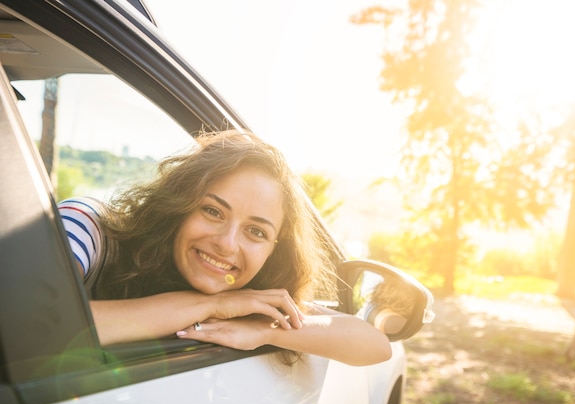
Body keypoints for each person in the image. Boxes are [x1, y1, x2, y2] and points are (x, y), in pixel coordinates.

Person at [58, 130, 391, 366]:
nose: (227, 244)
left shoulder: (252, 300)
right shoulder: (86, 227)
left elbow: (374, 345)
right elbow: (32, 323)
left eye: (256, 232)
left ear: (275, 250)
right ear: (178, 204)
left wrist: (264, 330)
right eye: (213, 211)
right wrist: (213, 304)